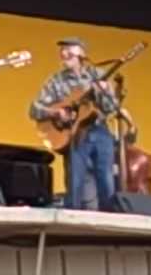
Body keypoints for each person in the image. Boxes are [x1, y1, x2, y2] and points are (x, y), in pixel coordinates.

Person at [30, 37, 118, 211]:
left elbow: (111, 108)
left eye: (70, 49)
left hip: (100, 130)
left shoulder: (98, 75)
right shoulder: (56, 81)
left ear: (82, 53)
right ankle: (72, 218)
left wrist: (106, 91)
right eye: (62, 50)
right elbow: (34, 109)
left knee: (107, 178)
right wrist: (56, 112)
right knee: (75, 180)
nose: (64, 53)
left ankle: (110, 219)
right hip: (76, 135)